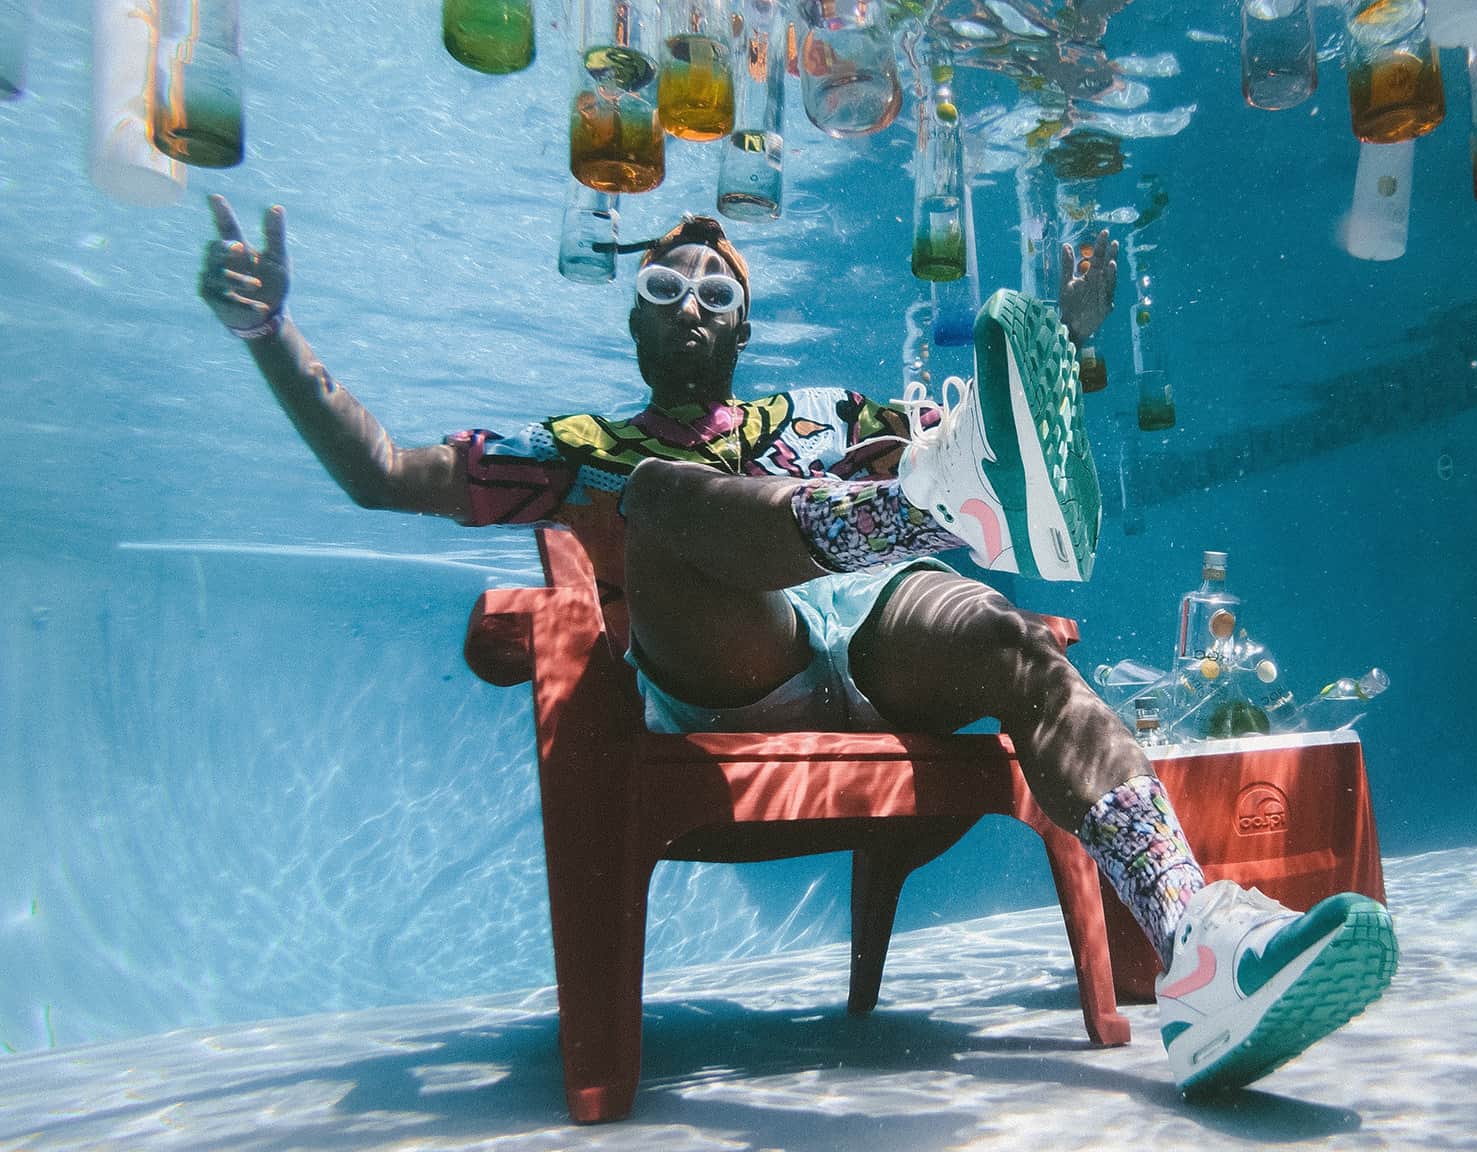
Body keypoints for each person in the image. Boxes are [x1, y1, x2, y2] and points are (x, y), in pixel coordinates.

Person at [196, 194, 1398, 1096]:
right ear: (633, 315)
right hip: (732, 672)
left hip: (875, 639)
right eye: (666, 288)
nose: (691, 309)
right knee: (659, 495)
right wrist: (269, 336)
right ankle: (926, 508)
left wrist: (1071, 323)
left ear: (744, 325)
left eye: (716, 294)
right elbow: (381, 472)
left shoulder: (822, 413)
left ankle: (1196, 951)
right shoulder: (582, 444)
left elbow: (1002, 413)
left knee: (1016, 648)